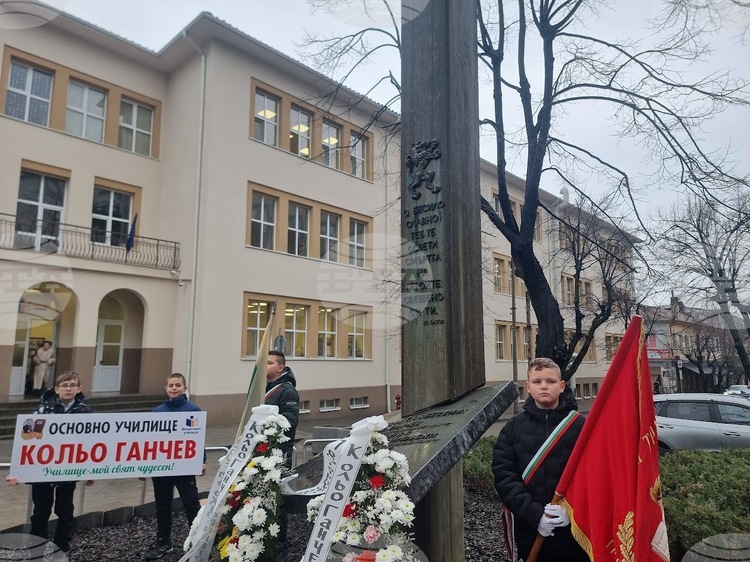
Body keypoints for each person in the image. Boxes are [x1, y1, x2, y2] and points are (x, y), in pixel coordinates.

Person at [492, 357, 588, 562]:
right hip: (531, 532)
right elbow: (505, 477)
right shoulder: (512, 428)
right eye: (537, 381)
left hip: (573, 535)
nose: (544, 386)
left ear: (562, 386)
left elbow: (594, 475)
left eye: (550, 381)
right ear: (528, 387)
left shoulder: (581, 427)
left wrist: (571, 510)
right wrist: (536, 516)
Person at [6, 371, 94, 554]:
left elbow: (90, 442)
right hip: (43, 471)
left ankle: (62, 548)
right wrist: (18, 470)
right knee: (40, 512)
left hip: (68, 471)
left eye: (72, 385)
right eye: (64, 385)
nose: (68, 389)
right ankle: (37, 549)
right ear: (57, 389)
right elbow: (27, 440)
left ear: (79, 389)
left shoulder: (84, 412)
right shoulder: (43, 410)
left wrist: (90, 470)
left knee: (65, 511)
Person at [146, 373, 206, 561]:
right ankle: (164, 542)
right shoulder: (157, 411)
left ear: (184, 388)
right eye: (171, 385)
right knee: (162, 505)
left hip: (184, 467)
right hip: (161, 467)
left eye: (177, 385)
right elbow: (150, 440)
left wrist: (201, 460)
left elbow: (199, 439)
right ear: (166, 388)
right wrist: (144, 465)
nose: (174, 388)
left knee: (191, 503)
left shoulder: (193, 410)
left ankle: (197, 541)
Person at [265, 350, 299, 562]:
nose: (264, 365)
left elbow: (290, 421)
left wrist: (267, 425)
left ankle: (280, 546)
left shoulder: (287, 391)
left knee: (278, 501)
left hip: (278, 453)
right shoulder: (262, 389)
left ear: (280, 367)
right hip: (262, 454)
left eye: (269, 362)